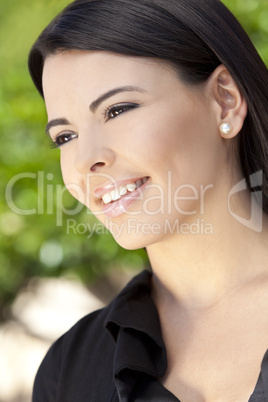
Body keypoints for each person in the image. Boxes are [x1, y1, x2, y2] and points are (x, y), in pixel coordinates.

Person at [28, 0, 268, 400]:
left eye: (118, 109)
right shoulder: (67, 370)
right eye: (65, 137)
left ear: (225, 99)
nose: (87, 160)